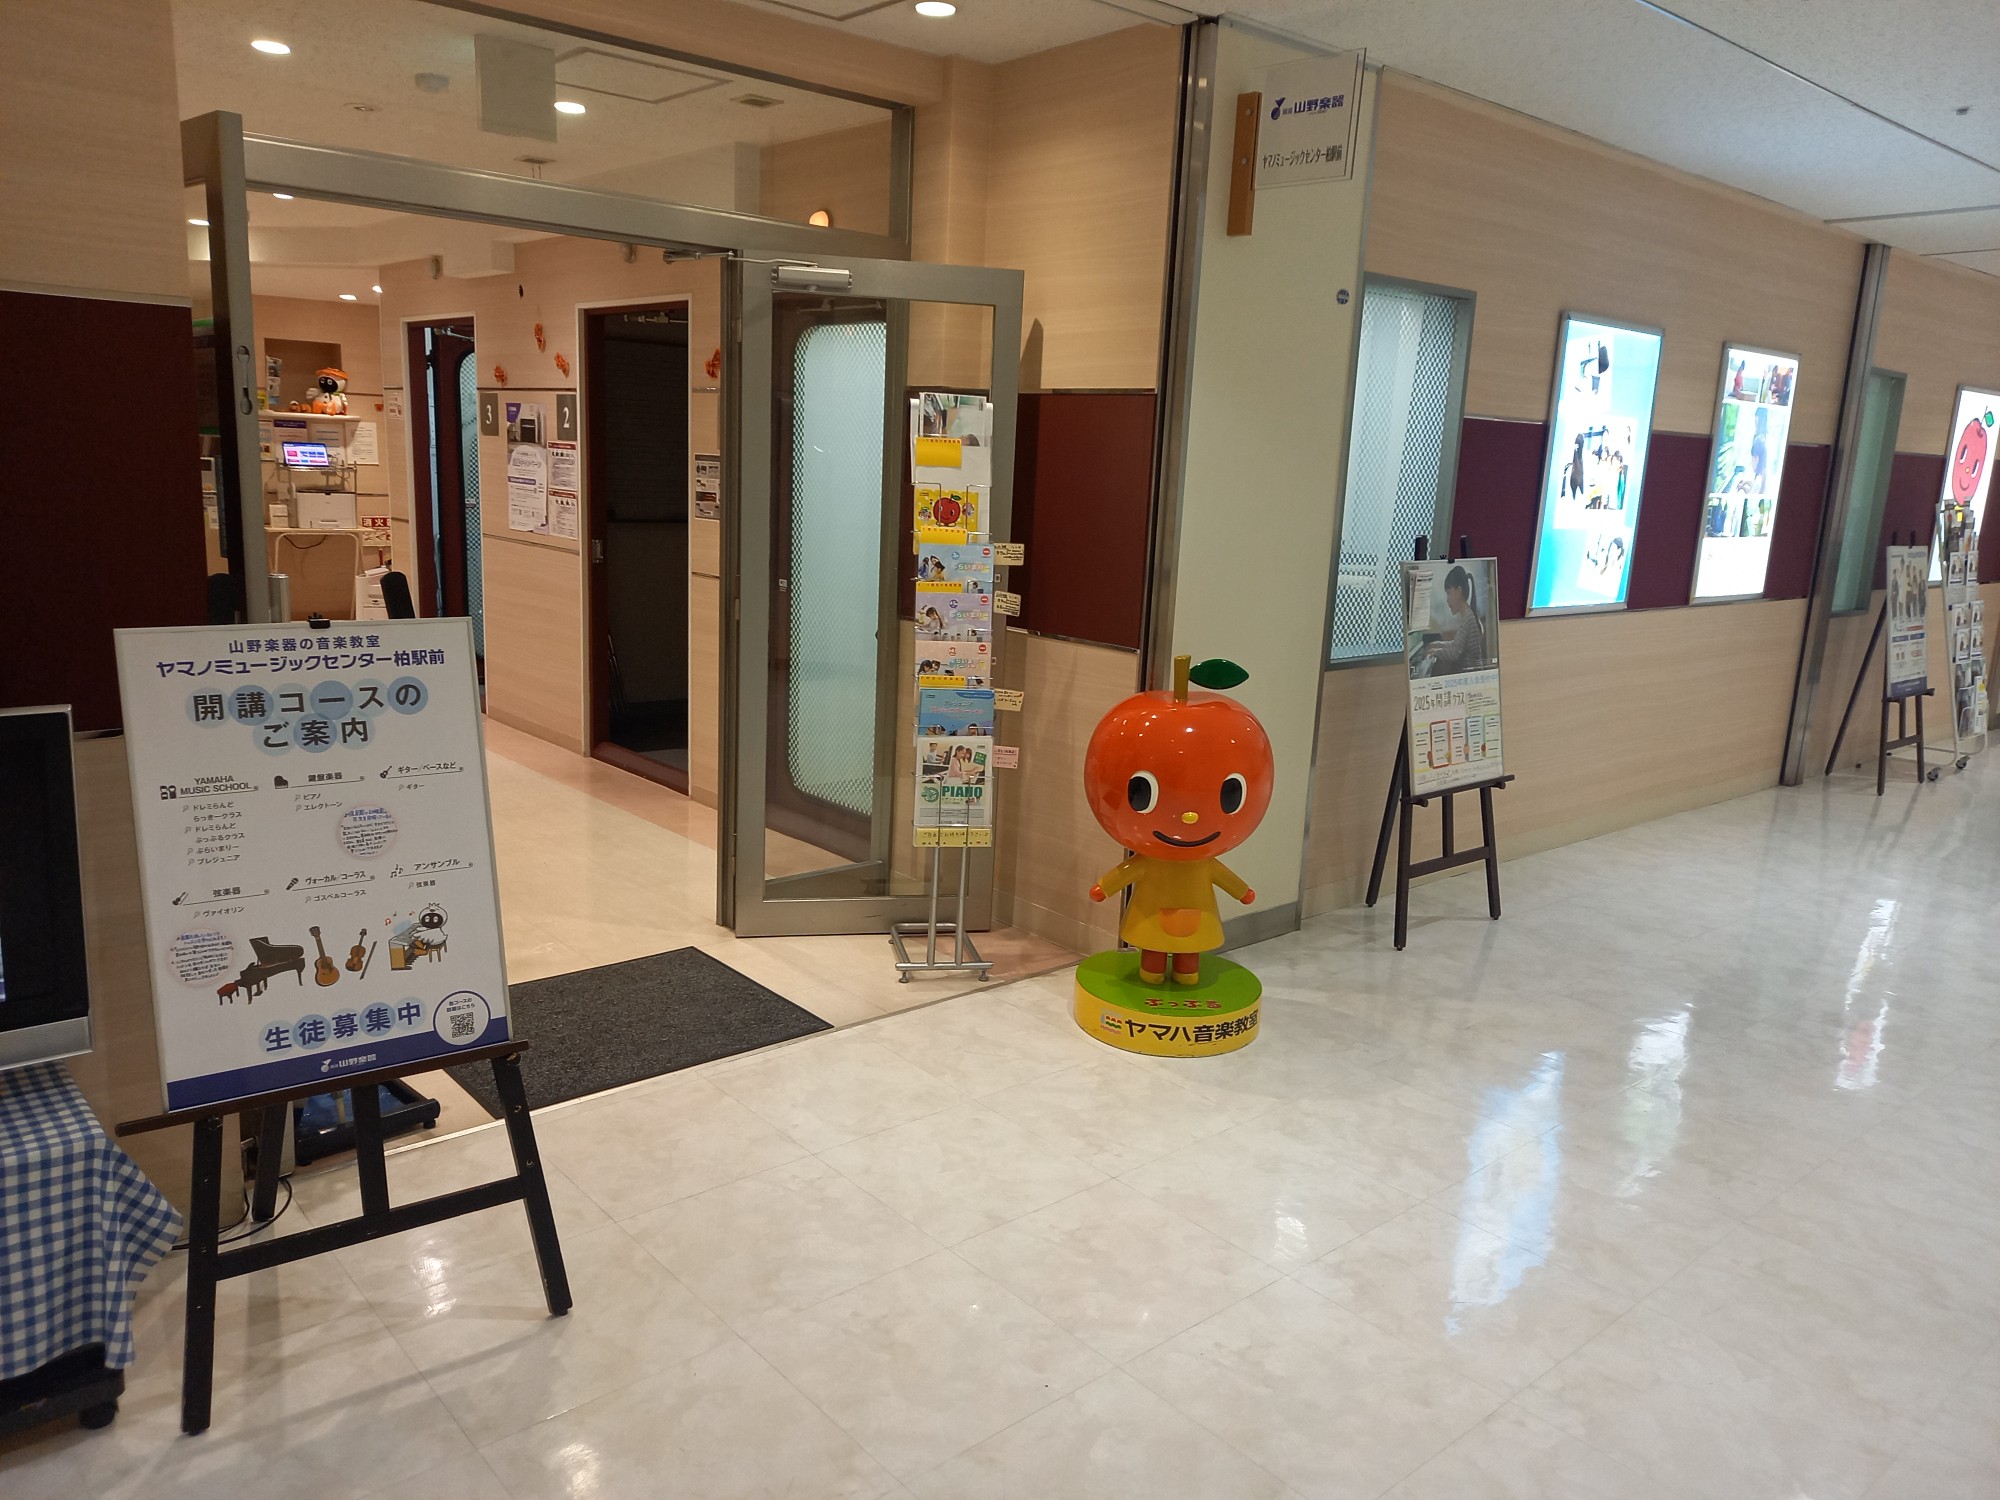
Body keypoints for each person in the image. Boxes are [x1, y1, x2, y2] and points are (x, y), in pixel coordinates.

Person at [1422, 565, 1488, 675]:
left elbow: (1454, 654)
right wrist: (1439, 644)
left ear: (1458, 591)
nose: (1447, 600)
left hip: (1470, 676)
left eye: (1448, 593)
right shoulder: (1468, 615)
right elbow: (1457, 644)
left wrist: (1435, 652)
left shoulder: (1468, 619)